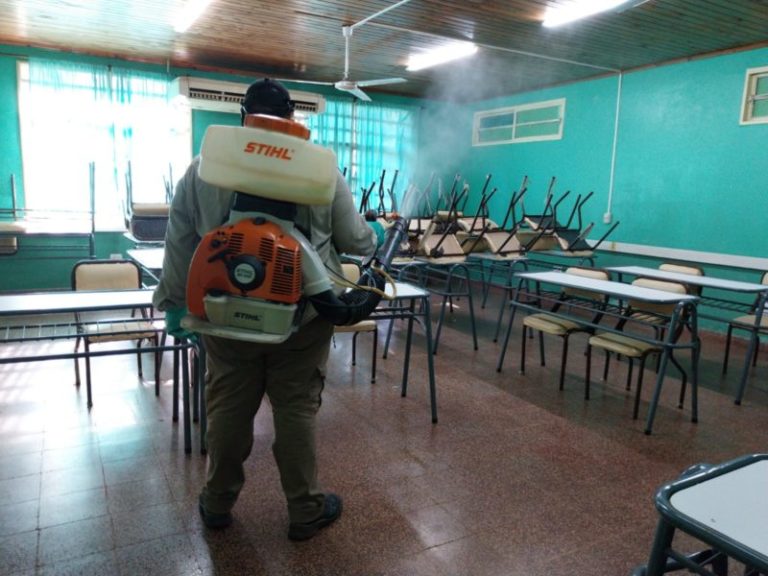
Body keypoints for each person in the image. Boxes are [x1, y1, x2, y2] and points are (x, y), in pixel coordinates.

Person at [153, 78, 377, 540]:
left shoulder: (202, 168)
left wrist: (174, 306)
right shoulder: (321, 169)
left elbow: (179, 242)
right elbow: (355, 241)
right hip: (304, 315)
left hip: (224, 312)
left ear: (243, 117)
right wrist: (370, 230)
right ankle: (305, 509)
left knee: (229, 406)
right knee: (295, 408)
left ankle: (217, 503)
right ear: (293, 120)